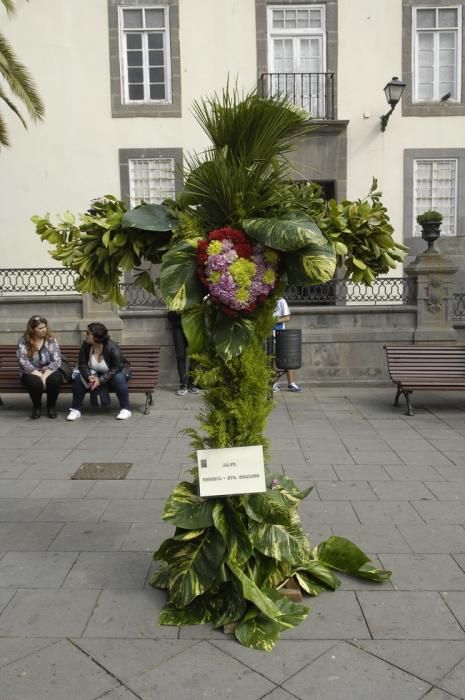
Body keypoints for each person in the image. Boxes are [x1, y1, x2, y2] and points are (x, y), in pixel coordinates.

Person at [67, 322, 132, 421]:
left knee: (118, 378)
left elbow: (118, 366)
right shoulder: (86, 346)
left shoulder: (111, 346)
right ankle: (75, 410)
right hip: (95, 372)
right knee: (78, 379)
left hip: (116, 371)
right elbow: (82, 365)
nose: (85, 335)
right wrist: (89, 376)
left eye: (88, 333)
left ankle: (125, 409)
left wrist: (101, 380)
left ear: (96, 337)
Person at [16, 315, 63, 419]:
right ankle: (37, 406)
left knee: (55, 380)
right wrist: (38, 375)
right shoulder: (23, 341)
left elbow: (56, 360)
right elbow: (23, 361)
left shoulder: (51, 340)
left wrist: (44, 376)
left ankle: (51, 407)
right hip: (30, 372)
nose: (44, 330)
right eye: (40, 328)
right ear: (32, 329)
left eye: (45, 327)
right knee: (35, 383)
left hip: (49, 370)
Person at [272, 297, 302, 392]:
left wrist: (273, 321)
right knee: (272, 357)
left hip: (280, 334)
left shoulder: (281, 301)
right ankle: (273, 383)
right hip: (268, 333)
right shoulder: (265, 300)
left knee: (287, 357)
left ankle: (291, 383)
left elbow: (287, 317)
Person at [167, 311, 200, 396]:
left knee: (195, 356)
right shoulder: (175, 299)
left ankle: (191, 384)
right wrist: (178, 313)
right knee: (180, 356)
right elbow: (170, 316)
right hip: (178, 328)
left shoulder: (194, 297)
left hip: (193, 327)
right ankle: (183, 385)